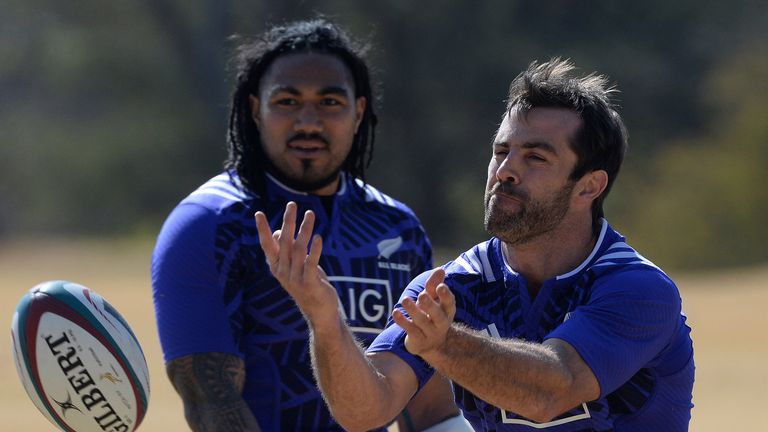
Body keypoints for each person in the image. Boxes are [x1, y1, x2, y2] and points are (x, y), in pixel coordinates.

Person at [255, 58, 696, 431]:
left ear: (589, 186)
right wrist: (325, 318)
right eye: (501, 151)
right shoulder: (452, 287)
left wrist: (442, 343)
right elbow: (366, 411)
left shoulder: (637, 290)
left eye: (536, 157)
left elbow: (550, 391)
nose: (505, 170)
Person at [151, 18, 466, 432]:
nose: (308, 123)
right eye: (287, 101)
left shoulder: (397, 230)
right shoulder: (208, 226)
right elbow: (211, 404)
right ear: (254, 110)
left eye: (330, 103)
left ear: (359, 113)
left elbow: (429, 411)